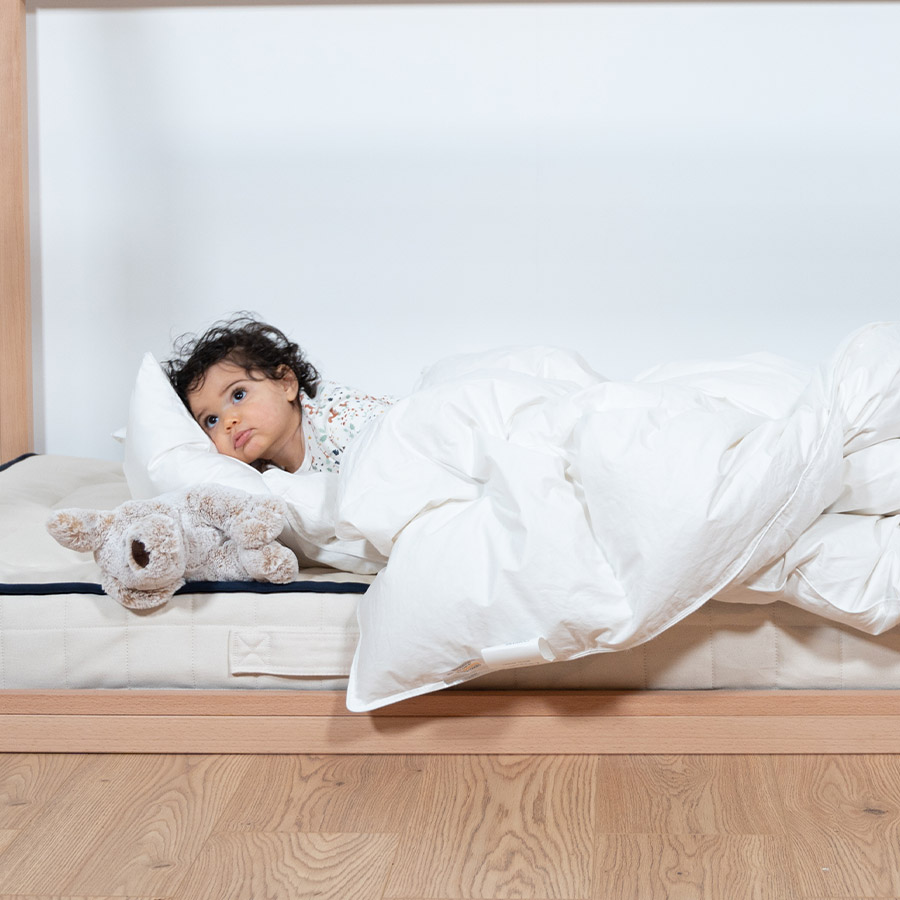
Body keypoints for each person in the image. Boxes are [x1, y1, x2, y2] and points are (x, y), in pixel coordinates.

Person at [164, 314, 394, 474]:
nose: (228, 421)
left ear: (286, 384)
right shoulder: (258, 474)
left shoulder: (338, 420)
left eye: (238, 394)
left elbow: (399, 437)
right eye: (211, 420)